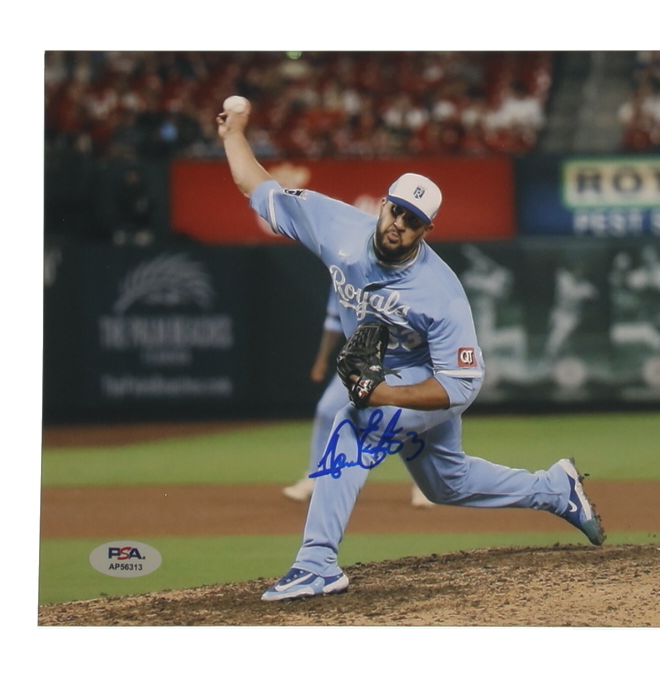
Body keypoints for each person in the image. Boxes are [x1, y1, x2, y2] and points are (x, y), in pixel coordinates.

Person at [216, 98, 605, 602]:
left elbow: (461, 385)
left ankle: (316, 563)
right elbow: (258, 187)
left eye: (413, 220)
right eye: (396, 210)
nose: (399, 223)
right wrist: (234, 135)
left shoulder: (440, 293)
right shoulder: (337, 226)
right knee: (447, 482)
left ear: (426, 231)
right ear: (383, 204)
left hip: (429, 378)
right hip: (387, 374)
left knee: (354, 422)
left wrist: (382, 395)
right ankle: (553, 489)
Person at [282, 288, 434, 508]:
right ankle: (316, 477)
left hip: (405, 360)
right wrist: (322, 359)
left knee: (408, 418)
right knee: (327, 410)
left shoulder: (409, 279)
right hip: (362, 360)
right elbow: (334, 323)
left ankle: (425, 484)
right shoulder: (343, 279)